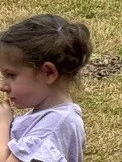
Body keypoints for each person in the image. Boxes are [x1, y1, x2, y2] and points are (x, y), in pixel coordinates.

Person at [0, 14, 92, 162]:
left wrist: (3, 124)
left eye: (11, 75)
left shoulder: (54, 127)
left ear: (48, 72)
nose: (3, 86)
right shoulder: (46, 117)